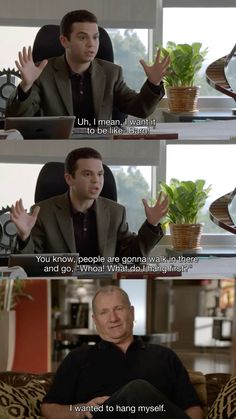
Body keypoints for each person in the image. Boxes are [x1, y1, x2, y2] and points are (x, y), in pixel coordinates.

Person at [41, 285, 204, 419]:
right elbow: (48, 408)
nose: (113, 318)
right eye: (104, 312)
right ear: (95, 320)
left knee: (138, 390)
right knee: (136, 389)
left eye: (118, 309)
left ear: (132, 312)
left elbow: (193, 409)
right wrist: (79, 409)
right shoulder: (77, 358)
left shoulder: (165, 356)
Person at [6, 9, 170, 126]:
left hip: (100, 141)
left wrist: (153, 84)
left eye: (95, 37)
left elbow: (139, 109)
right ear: (64, 41)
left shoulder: (111, 73)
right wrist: (25, 85)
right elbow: (18, 119)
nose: (91, 44)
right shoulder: (42, 72)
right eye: (83, 37)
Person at [10, 147, 168, 256]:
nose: (96, 181)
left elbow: (132, 257)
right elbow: (29, 265)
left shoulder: (116, 212)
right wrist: (24, 236)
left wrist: (151, 225)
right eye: (87, 174)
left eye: (100, 174)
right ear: (69, 178)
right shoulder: (43, 212)